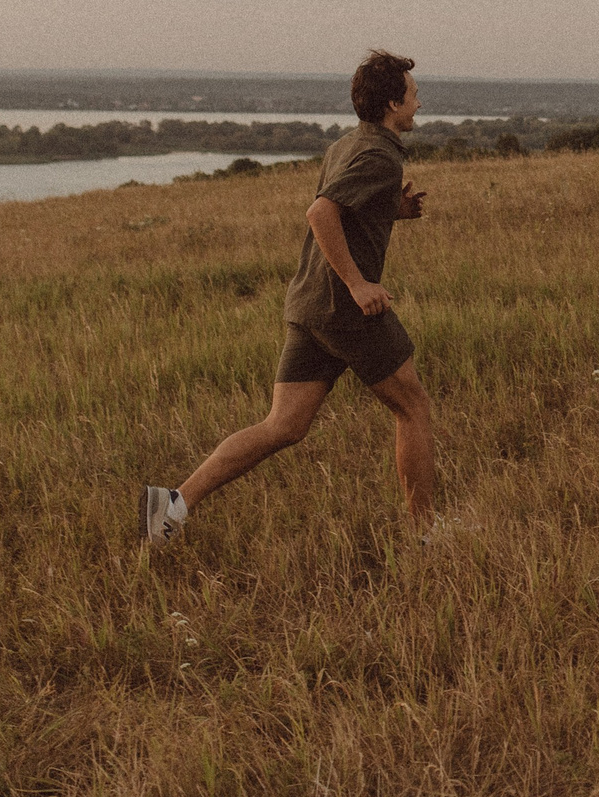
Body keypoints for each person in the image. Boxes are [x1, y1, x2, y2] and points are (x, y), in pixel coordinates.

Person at [142, 50, 441, 541]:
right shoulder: (379, 155)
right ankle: (426, 534)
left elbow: (346, 210)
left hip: (309, 304)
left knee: (284, 425)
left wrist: (392, 208)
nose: (419, 103)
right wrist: (357, 284)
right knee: (413, 407)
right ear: (392, 103)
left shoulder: (347, 145)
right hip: (344, 309)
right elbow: (321, 214)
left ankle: (173, 505)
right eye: (412, 95)